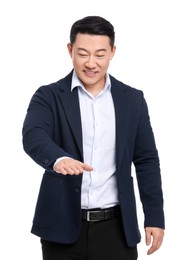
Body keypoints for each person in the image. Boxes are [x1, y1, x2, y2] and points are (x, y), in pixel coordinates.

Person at [22, 15, 165, 260]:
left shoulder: (132, 100)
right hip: (62, 228)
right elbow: (33, 134)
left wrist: (154, 216)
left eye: (99, 54)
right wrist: (58, 159)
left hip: (117, 230)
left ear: (112, 52)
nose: (91, 63)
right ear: (70, 50)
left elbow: (146, 160)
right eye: (82, 53)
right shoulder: (48, 96)